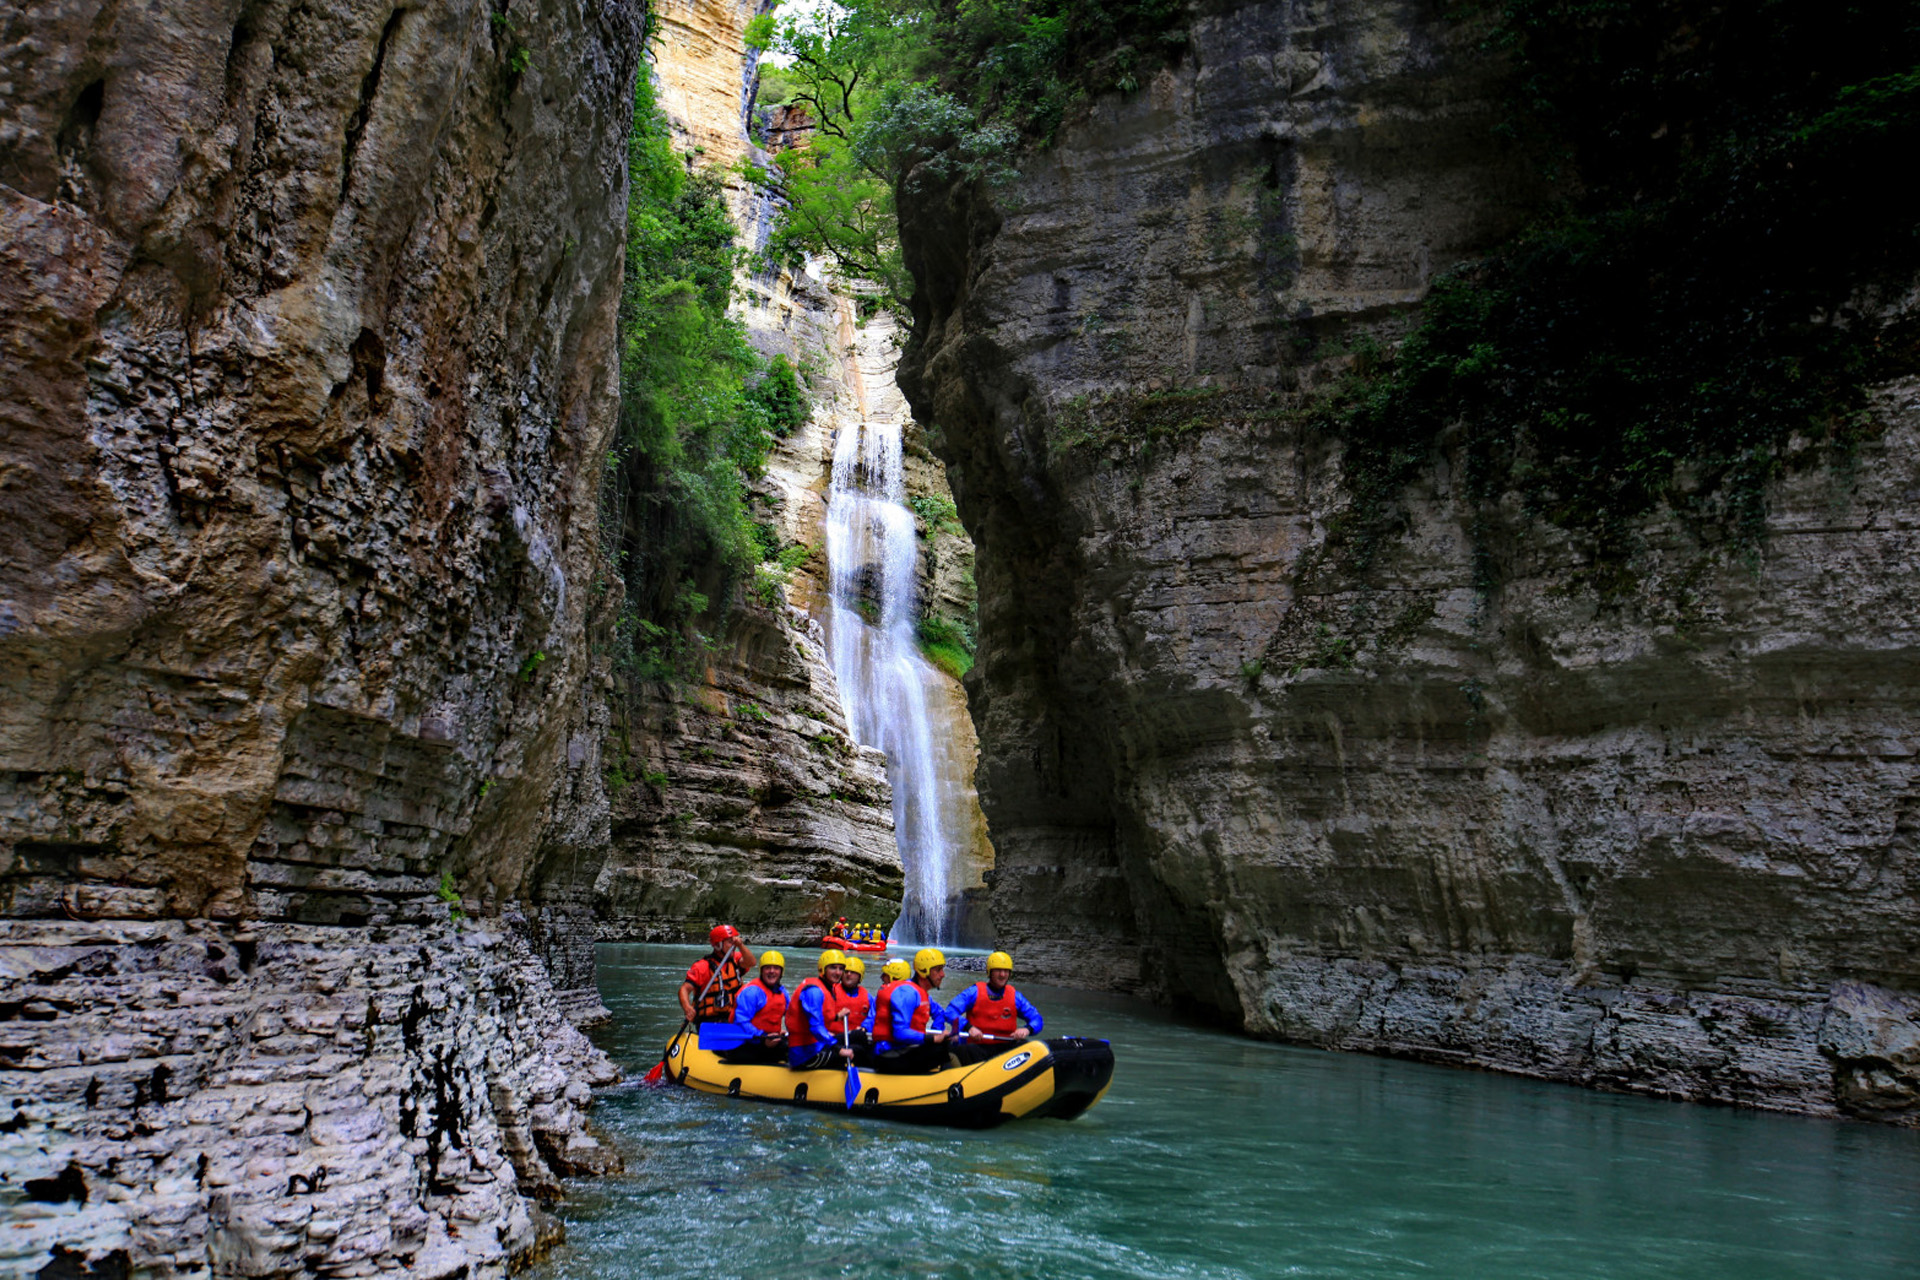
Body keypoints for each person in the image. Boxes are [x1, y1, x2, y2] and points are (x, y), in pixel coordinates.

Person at [946, 950, 1044, 1064]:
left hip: (1005, 1047)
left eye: (1006, 971)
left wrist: (1027, 1029)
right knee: (962, 1050)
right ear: (990, 972)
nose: (1002, 974)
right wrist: (969, 1027)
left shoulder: (1016, 997)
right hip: (977, 1047)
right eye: (998, 970)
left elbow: (1037, 1019)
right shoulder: (974, 992)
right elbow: (950, 1012)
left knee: (1026, 1046)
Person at [872, 947, 953, 1073]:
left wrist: (938, 1032)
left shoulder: (921, 993)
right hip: (889, 1053)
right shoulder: (907, 993)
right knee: (941, 1049)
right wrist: (933, 1039)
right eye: (938, 970)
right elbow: (900, 1033)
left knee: (949, 1045)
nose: (943, 974)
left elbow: (940, 1014)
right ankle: (947, 1084)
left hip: (907, 1049)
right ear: (924, 971)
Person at [785, 949, 856, 1070]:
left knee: (857, 1037)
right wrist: (838, 1049)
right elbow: (815, 1026)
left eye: (841, 968)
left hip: (814, 1045)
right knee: (854, 1052)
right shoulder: (814, 991)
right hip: (804, 1055)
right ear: (823, 969)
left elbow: (821, 1017)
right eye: (833, 968)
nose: (838, 972)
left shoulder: (826, 987)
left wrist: (837, 1017)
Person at [679, 924, 755, 1023]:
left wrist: (741, 945)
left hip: (735, 1017)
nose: (734, 945)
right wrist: (687, 1008)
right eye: (730, 942)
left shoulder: (735, 960)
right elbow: (684, 989)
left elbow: (751, 962)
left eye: (734, 941)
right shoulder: (702, 967)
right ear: (718, 945)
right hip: (711, 1020)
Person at [722, 951, 788, 1064]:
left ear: (781, 972)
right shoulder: (752, 992)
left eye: (776, 968)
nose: (772, 971)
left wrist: (788, 1032)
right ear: (761, 971)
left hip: (770, 1041)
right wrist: (763, 1038)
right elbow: (741, 1022)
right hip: (746, 1043)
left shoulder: (783, 993)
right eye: (767, 968)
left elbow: (793, 1016)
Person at [838, 955, 876, 1061]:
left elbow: (872, 1017)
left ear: (860, 977)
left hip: (857, 1038)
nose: (848, 975)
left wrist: (865, 1027)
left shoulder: (868, 997)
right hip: (836, 1039)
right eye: (846, 972)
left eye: (853, 972)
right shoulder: (831, 992)